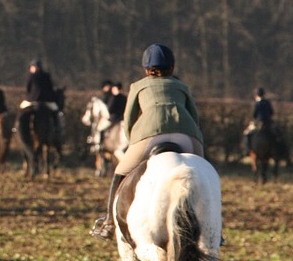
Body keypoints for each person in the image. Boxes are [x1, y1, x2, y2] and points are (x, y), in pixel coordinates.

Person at [89, 43, 205, 240]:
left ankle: (109, 223)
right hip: (186, 134)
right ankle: (210, 227)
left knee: (120, 173)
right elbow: (195, 117)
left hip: (150, 136)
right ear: (172, 67)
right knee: (204, 175)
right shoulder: (183, 87)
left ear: (146, 68)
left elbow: (129, 119)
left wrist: (135, 142)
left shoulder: (138, 86)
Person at [20, 60, 61, 139]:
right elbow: (50, 89)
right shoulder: (47, 75)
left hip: (32, 100)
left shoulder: (31, 76)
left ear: (34, 67)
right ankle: (57, 127)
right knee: (56, 112)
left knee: (21, 110)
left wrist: (29, 96)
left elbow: (28, 89)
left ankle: (17, 127)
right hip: (46, 101)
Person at [243, 87, 283, 155]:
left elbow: (254, 114)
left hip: (258, 122)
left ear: (256, 95)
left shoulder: (256, 103)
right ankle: (280, 150)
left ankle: (247, 149)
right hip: (268, 122)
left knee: (246, 133)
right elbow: (271, 112)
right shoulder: (267, 102)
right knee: (277, 134)